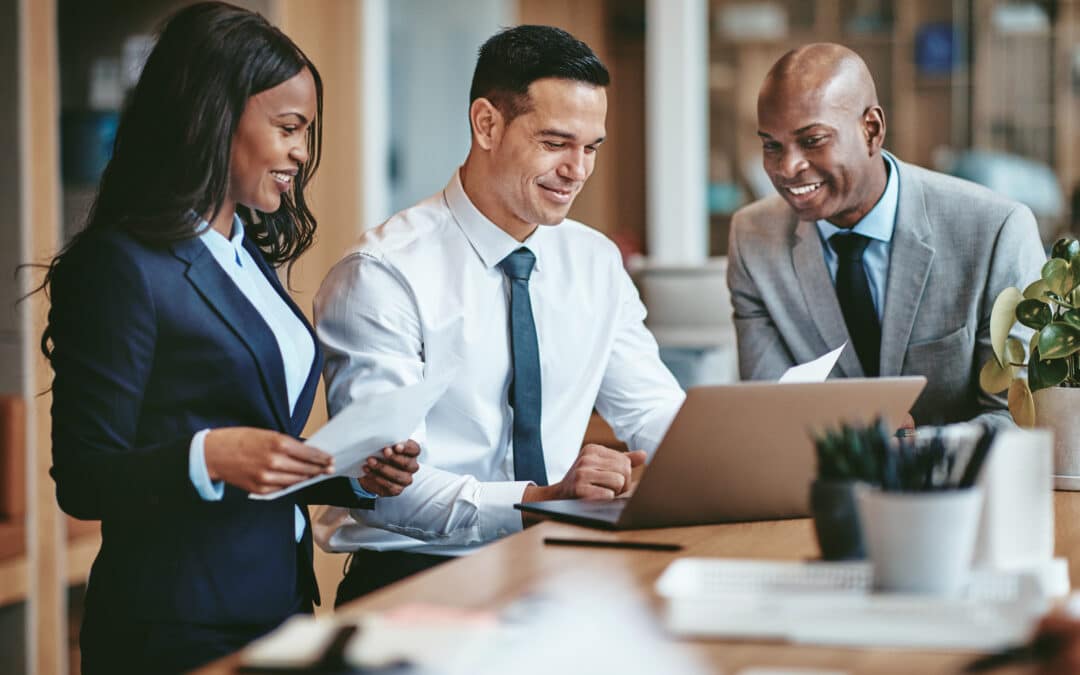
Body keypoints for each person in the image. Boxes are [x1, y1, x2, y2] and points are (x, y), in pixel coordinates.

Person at [42, 4, 419, 673]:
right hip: (175, 628)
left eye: (305, 131)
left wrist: (350, 470)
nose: (302, 152)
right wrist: (208, 455)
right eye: (288, 128)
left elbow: (255, 440)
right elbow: (84, 476)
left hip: (280, 604)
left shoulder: (246, 255)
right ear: (216, 116)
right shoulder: (123, 265)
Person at [313, 24, 686, 604]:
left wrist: (726, 463)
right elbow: (387, 490)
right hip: (417, 583)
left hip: (562, 572)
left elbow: (653, 411)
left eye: (591, 147)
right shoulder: (384, 273)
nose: (577, 170)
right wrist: (544, 499)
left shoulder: (595, 262)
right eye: (556, 142)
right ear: (487, 124)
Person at [726, 43, 1045, 427]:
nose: (787, 167)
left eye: (812, 140)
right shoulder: (752, 238)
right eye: (772, 145)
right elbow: (770, 411)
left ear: (871, 130)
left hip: (958, 484)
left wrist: (912, 451)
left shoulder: (996, 231)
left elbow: (1017, 418)